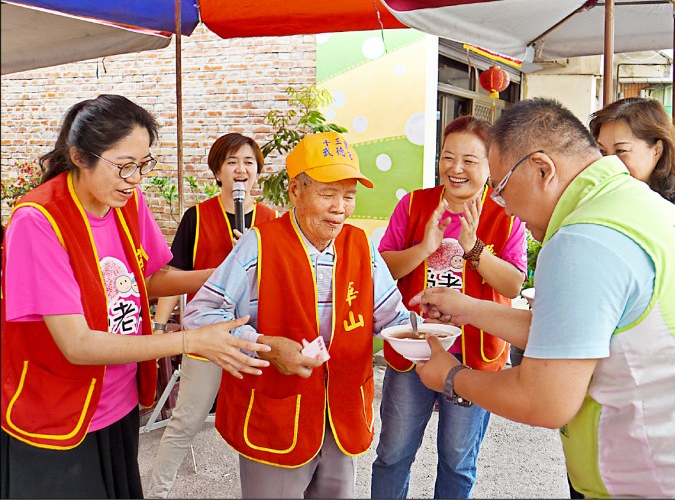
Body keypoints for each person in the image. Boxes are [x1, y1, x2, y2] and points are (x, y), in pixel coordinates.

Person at [413, 98, 675, 498]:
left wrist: (450, 376)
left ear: (542, 169)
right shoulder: (642, 207)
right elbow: (571, 336)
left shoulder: (583, 236)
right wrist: (465, 307)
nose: (506, 210)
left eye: (501, 190)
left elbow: (544, 400)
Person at [0, 95, 270, 499]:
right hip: (58, 412)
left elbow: (151, 276)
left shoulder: (126, 202)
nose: (136, 179)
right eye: (125, 166)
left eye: (144, 164)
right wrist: (191, 340)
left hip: (118, 402)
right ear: (78, 156)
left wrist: (225, 275)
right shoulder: (38, 221)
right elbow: (76, 344)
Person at [184, 131, 411, 499]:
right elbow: (200, 316)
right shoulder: (258, 244)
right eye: (327, 194)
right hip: (276, 415)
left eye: (349, 196)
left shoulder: (361, 246)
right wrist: (262, 346)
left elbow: (392, 318)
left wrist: (419, 336)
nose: (340, 207)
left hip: (341, 416)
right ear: (295, 191)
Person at [371, 115, 526, 499]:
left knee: (458, 460)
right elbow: (382, 269)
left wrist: (475, 248)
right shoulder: (414, 205)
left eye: (470, 160)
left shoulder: (506, 215)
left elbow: (512, 283)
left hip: (473, 357)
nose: (456, 169)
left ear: (491, 164)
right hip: (414, 348)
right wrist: (424, 247)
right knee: (393, 453)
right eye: (448, 157)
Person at [147, 133, 277, 498]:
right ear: (217, 170)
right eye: (232, 161)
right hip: (206, 340)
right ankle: (157, 492)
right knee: (185, 421)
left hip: (255, 341)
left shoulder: (271, 221)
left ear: (257, 173)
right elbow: (171, 278)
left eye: (249, 162)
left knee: (261, 424)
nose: (241, 169)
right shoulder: (197, 216)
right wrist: (160, 327)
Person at [588, 97, 675, 256]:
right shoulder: (596, 206)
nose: (610, 162)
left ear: (657, 150)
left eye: (621, 151)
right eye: (603, 152)